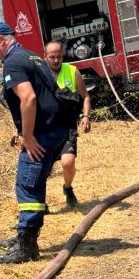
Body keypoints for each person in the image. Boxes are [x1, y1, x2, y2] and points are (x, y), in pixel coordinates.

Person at [0, 22, 71, 264]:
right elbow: (42, 94)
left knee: (28, 186)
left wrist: (28, 136)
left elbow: (29, 97)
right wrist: (20, 129)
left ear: (1, 40)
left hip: (42, 134)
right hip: (55, 129)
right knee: (33, 183)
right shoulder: (31, 56)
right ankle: (24, 235)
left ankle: (27, 246)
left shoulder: (13, 61)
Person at [44, 40, 91, 207]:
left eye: (59, 57)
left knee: (68, 162)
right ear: (45, 57)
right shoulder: (39, 74)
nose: (56, 60)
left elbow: (85, 96)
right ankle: (40, 201)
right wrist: (18, 129)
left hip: (67, 127)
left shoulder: (72, 71)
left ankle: (68, 187)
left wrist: (86, 116)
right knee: (42, 169)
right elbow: (28, 102)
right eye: (52, 57)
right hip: (46, 128)